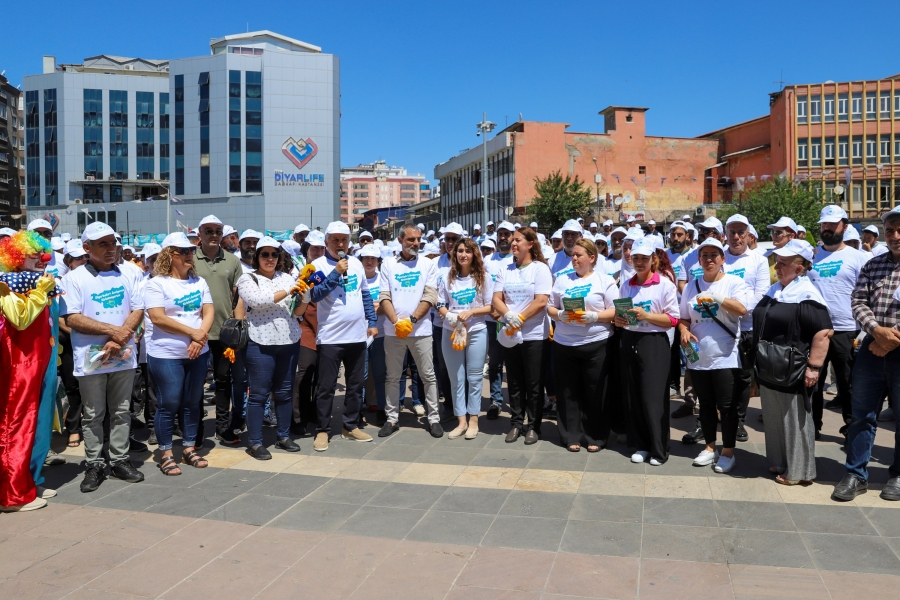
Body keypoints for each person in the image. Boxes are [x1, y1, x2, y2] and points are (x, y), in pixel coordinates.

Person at [63, 222, 145, 493]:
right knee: (93, 414)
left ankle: (120, 459)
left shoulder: (130, 273)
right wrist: (115, 332)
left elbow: (138, 308)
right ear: (87, 248)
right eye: (103, 244)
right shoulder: (74, 278)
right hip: (91, 358)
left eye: (113, 243)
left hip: (122, 354)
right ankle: (95, 463)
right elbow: (72, 317)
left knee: (122, 411)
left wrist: (118, 338)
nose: (111, 249)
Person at [832, 206, 900, 502]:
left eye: (899, 230)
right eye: (890, 231)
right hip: (872, 350)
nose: (894, 235)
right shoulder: (874, 265)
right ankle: (856, 474)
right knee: (861, 415)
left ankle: (898, 475)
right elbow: (858, 301)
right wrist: (876, 332)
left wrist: (891, 340)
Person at [753, 240, 833, 485]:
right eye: (777, 262)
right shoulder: (776, 289)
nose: (777, 266)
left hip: (793, 369)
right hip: (770, 365)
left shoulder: (807, 295)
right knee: (774, 415)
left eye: (784, 263)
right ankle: (780, 460)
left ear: (799, 268)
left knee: (794, 419)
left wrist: (814, 368)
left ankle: (799, 471)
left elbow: (824, 332)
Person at [678, 238, 751, 474]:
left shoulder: (733, 282)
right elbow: (683, 317)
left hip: (725, 354)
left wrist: (716, 297)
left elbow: (741, 309)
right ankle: (710, 448)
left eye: (714, 255)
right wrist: (684, 330)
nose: (709, 260)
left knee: (727, 406)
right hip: (699, 356)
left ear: (723, 259)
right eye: (704, 255)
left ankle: (728, 451)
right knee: (706, 404)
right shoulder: (691, 285)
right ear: (699, 260)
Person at [144, 233, 215, 475]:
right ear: (169, 255)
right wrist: (193, 333)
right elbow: (157, 318)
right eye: (183, 251)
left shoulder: (199, 282)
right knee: (169, 402)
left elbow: (208, 312)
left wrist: (200, 337)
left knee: (192, 402)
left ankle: (188, 447)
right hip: (166, 354)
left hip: (198, 352)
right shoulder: (156, 283)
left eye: (190, 251)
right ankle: (165, 452)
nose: (189, 255)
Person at [0, 231, 58, 512]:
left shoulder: (32, 282)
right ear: (15, 257)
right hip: (17, 369)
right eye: (33, 254)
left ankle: (26, 481)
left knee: (33, 427)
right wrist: (39, 292)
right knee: (16, 426)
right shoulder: (6, 285)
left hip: (36, 366)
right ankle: (12, 495)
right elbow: (19, 319)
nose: (42, 258)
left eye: (42, 253)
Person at [237, 236, 309, 459]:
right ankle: (256, 442)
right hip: (260, 342)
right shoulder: (247, 279)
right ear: (256, 257)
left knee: (285, 392)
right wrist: (290, 291)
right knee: (258, 394)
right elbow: (259, 301)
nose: (269, 258)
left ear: (279, 257)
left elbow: (297, 312)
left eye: (274, 254)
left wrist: (305, 296)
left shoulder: (287, 278)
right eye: (264, 254)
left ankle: (283, 436)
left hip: (289, 341)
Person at [310, 222, 377, 451]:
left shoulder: (356, 263)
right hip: (330, 337)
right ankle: (322, 430)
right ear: (326, 241)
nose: (340, 244)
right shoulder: (316, 265)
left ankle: (350, 425)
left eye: (344, 240)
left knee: (355, 384)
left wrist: (373, 322)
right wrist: (336, 272)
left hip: (357, 336)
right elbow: (316, 295)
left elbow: (365, 295)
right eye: (336, 239)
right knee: (326, 387)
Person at [548, 239, 617, 452]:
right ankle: (571, 435)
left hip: (597, 344)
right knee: (568, 391)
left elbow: (615, 311)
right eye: (573, 256)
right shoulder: (561, 280)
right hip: (565, 344)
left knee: (595, 391)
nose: (574, 259)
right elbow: (550, 307)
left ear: (592, 258)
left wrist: (594, 316)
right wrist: (559, 314)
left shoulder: (604, 281)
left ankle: (595, 435)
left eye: (579, 255)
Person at [807, 205, 870, 437]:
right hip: (815, 330)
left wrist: (864, 330)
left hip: (847, 329)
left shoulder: (859, 257)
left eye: (832, 225)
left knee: (848, 384)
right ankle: (812, 426)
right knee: (813, 382)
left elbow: (867, 295)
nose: (827, 229)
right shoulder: (811, 255)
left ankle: (851, 427)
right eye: (824, 224)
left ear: (844, 226)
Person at [617, 237, 680, 465]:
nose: (640, 262)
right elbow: (620, 315)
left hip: (654, 342)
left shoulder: (664, 284)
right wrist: (620, 320)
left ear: (654, 260)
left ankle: (659, 448)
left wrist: (647, 316)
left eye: (644, 258)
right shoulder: (626, 284)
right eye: (636, 258)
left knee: (653, 398)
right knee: (633, 395)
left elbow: (672, 319)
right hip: (630, 338)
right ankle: (640, 444)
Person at [378, 223, 442, 438]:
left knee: (428, 376)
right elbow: (384, 296)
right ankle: (392, 418)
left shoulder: (428, 264)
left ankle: (433, 419)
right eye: (411, 240)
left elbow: (430, 296)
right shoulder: (387, 264)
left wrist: (412, 320)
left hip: (421, 331)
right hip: (393, 331)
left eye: (418, 240)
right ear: (400, 241)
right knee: (393, 377)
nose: (416, 243)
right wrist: (397, 322)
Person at [492, 226, 552, 445]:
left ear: (530, 244)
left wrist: (522, 318)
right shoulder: (505, 269)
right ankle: (516, 423)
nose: (513, 243)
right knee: (515, 382)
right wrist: (509, 316)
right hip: (510, 334)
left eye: (518, 240)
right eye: (513, 240)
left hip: (534, 335)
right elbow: (496, 299)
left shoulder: (540, 269)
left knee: (534, 383)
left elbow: (541, 301)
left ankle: (534, 426)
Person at [193, 215, 244, 445]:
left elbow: (238, 295)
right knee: (196, 384)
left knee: (224, 381)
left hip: (224, 332)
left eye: (217, 231)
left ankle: (223, 427)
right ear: (199, 234)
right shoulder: (190, 258)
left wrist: (238, 325)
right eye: (208, 231)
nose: (213, 235)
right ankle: (195, 430)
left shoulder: (232, 261)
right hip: (196, 331)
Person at [438, 237, 493, 439]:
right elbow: (440, 303)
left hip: (477, 331)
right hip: (451, 332)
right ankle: (461, 420)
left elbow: (491, 307)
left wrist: (472, 312)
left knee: (474, 377)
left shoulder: (483, 277)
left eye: (468, 251)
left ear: (474, 254)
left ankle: (473, 420)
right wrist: (448, 314)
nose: (463, 254)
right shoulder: (447, 277)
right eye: (460, 250)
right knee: (457, 378)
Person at [723, 214, 770, 443]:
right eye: (731, 231)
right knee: (721, 375)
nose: (736, 236)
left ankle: (739, 420)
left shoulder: (758, 260)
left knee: (742, 377)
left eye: (740, 232)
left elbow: (761, 294)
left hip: (747, 328)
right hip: (720, 327)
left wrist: (738, 309)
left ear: (748, 234)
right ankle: (716, 418)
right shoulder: (718, 257)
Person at [292, 230, 325, 435]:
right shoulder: (297, 270)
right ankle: (297, 418)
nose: (319, 252)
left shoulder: (331, 269)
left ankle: (313, 411)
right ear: (307, 249)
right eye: (315, 248)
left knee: (321, 375)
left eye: (322, 248)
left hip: (326, 327)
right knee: (304, 373)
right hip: (304, 326)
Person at [59, 240, 90, 448]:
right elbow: (61, 317)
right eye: (78, 257)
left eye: (85, 257)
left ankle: (92, 428)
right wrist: (78, 332)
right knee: (73, 386)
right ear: (69, 261)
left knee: (93, 386)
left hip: (92, 340)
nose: (83, 260)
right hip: (71, 341)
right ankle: (73, 429)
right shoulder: (61, 282)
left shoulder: (94, 278)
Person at [484, 221, 516, 419]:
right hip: (492, 318)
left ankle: (516, 400)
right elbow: (483, 287)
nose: (503, 237)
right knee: (495, 362)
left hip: (512, 318)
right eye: (500, 234)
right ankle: (495, 400)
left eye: (507, 234)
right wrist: (493, 311)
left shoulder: (518, 259)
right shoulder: (488, 260)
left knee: (513, 363)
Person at [359, 243, 387, 425]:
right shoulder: (355, 278)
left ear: (378, 261)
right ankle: (357, 408)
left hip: (380, 333)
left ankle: (381, 408)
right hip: (358, 334)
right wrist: (375, 307)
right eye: (366, 258)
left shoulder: (383, 280)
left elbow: (387, 303)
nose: (369, 262)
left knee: (380, 373)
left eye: (373, 259)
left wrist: (379, 307)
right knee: (360, 374)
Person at [765, 217, 799, 284]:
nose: (774, 236)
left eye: (778, 232)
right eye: (773, 232)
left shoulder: (800, 257)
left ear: (791, 236)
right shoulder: (767, 257)